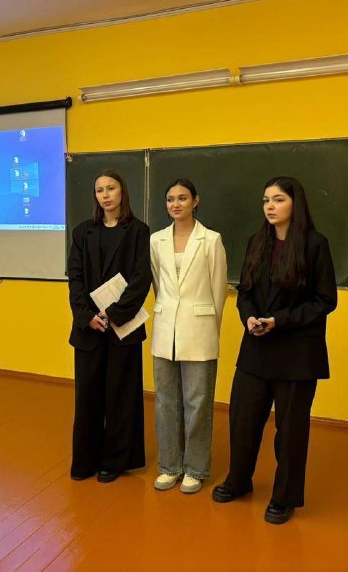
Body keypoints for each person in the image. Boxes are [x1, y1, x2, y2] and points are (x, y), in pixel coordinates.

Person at [212, 176, 337, 524]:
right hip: (256, 348)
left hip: (297, 353)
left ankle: (284, 497)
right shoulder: (257, 241)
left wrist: (278, 320)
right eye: (266, 200)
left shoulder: (315, 244)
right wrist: (250, 317)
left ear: (296, 203)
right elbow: (245, 290)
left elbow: (325, 300)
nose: (270, 206)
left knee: (291, 430)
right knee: (242, 419)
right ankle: (239, 480)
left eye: (278, 199)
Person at [67, 169, 152, 483]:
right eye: (99, 190)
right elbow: (75, 278)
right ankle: (86, 460)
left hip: (122, 326)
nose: (105, 195)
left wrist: (113, 314)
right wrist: (85, 315)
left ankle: (115, 461)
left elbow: (141, 279)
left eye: (111, 188)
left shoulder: (139, 231)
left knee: (120, 396)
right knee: (88, 396)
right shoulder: (82, 232)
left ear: (122, 192)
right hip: (88, 327)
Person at [150, 179, 227, 494]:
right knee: (165, 402)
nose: (176, 204)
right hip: (164, 328)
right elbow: (159, 284)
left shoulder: (211, 240)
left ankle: (195, 468)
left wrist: (209, 327)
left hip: (200, 330)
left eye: (182, 198)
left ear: (195, 201)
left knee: (198, 403)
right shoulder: (156, 240)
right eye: (170, 199)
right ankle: (170, 466)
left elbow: (219, 289)